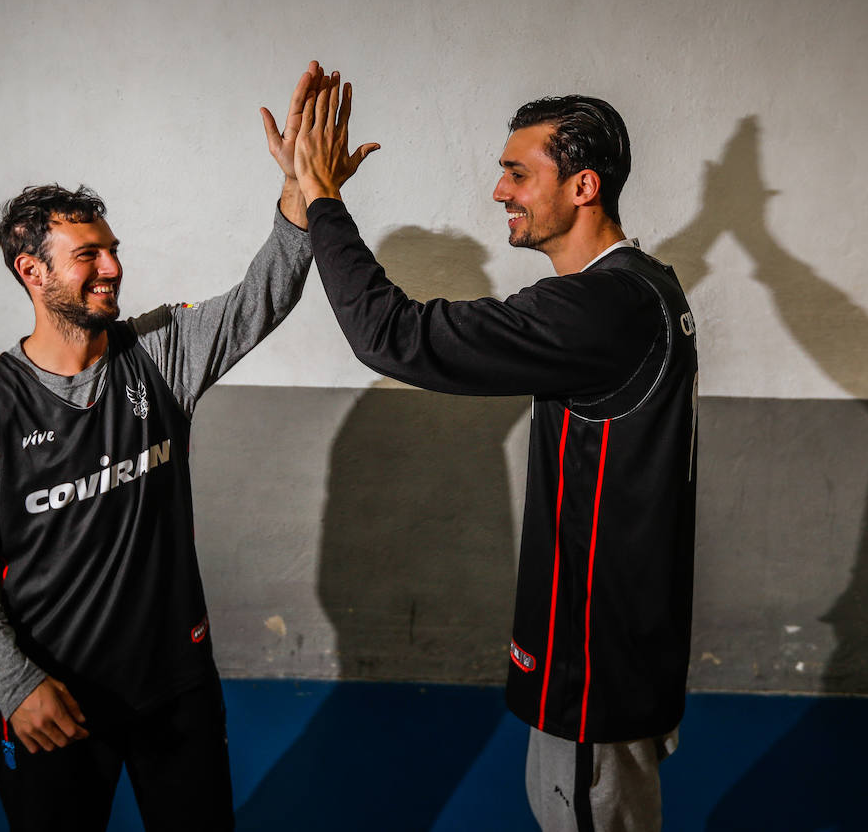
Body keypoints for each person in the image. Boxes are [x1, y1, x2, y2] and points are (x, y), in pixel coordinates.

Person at [0, 62, 330, 830]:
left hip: (174, 684)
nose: (113, 267)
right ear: (31, 271)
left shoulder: (159, 355)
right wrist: (15, 686)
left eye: (111, 248)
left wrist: (299, 194)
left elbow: (262, 297)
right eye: (89, 255)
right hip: (55, 699)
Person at [294, 78, 699, 831]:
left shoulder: (597, 308)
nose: (498, 190)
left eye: (519, 174)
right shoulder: (649, 286)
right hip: (632, 644)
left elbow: (393, 336)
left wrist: (321, 199)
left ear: (584, 185)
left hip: (595, 665)